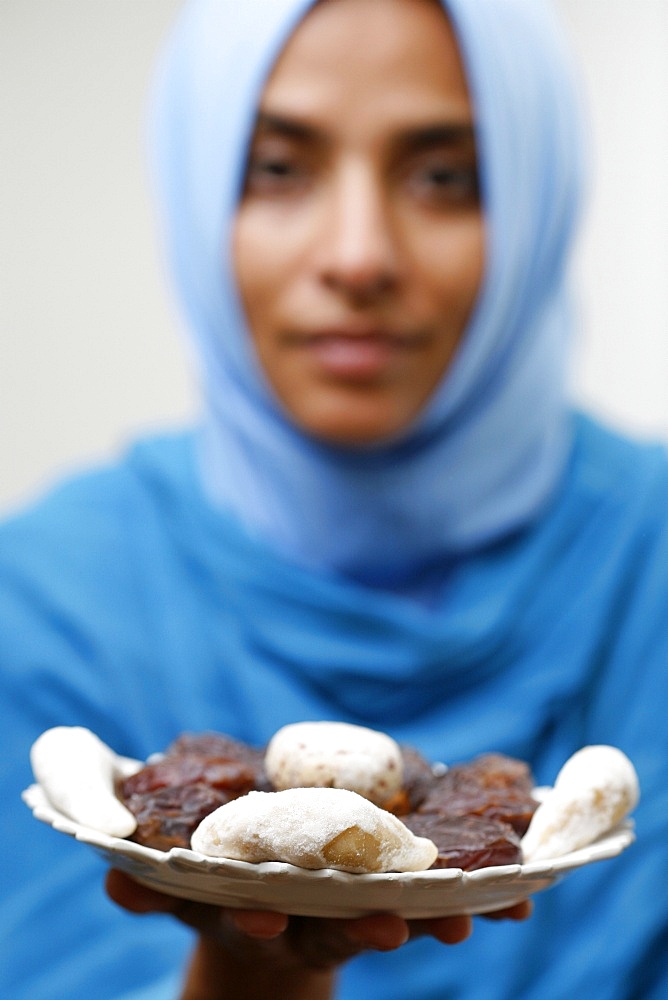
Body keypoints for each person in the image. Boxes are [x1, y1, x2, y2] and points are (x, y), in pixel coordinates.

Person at [2, 0, 668, 998]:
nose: (357, 256)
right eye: (278, 167)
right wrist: (245, 973)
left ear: (536, 198)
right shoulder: (47, 595)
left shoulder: (645, 567)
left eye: (442, 177)